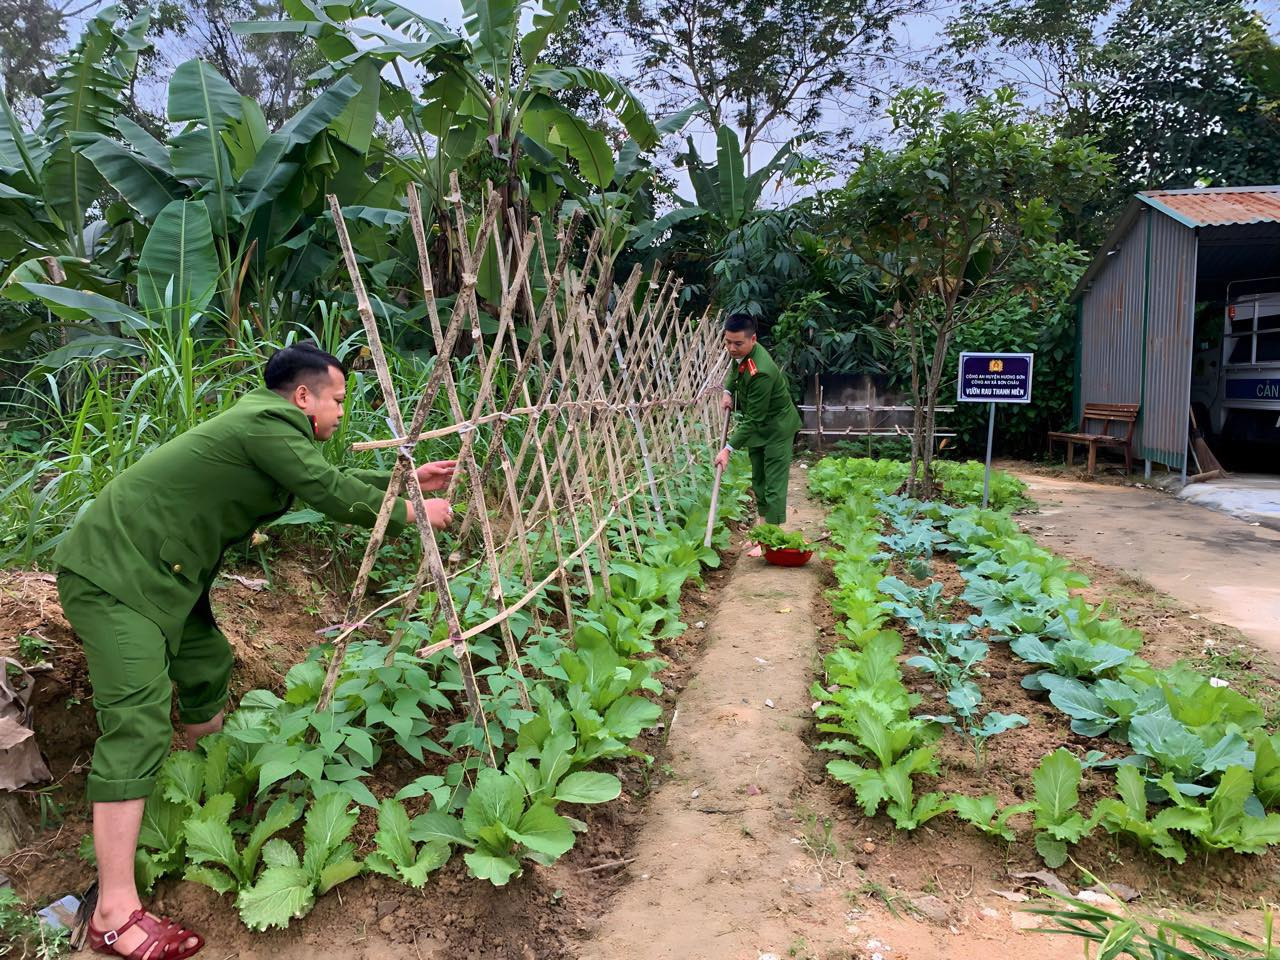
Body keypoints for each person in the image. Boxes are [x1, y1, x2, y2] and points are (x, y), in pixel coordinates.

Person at [54, 342, 455, 959]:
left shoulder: (268, 429)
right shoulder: (266, 423)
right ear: (304, 396)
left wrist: (404, 480)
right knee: (134, 719)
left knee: (206, 666)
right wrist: (412, 509)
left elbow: (320, 479)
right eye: (339, 399)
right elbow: (326, 490)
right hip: (116, 573)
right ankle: (114, 910)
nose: (342, 412)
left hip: (166, 573)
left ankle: (200, 793)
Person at [715, 314, 803, 557]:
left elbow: (754, 419)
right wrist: (728, 390)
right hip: (761, 427)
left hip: (776, 428)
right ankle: (760, 533)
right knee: (759, 480)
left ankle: (770, 541)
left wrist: (727, 449)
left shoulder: (761, 372)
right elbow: (736, 369)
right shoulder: (744, 354)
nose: (731, 348)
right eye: (728, 342)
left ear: (753, 339)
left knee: (773, 483)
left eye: (737, 344)